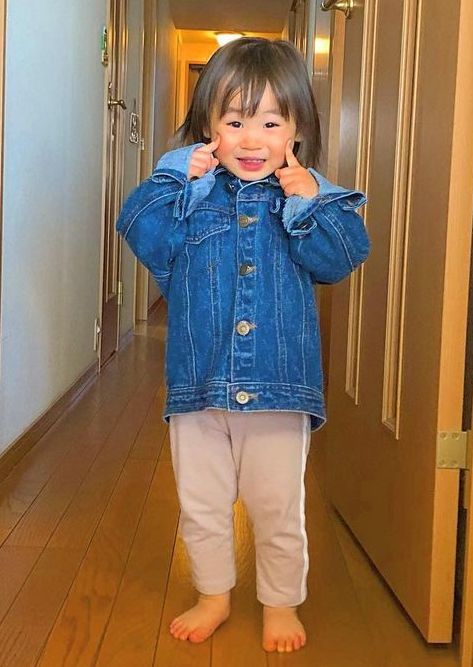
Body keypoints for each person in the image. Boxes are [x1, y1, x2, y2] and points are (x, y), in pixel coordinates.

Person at [116, 37, 371, 653]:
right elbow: (141, 231)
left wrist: (310, 201)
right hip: (199, 384)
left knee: (277, 507)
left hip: (280, 387)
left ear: (297, 130)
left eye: (271, 123)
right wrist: (175, 176)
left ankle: (281, 602)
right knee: (201, 505)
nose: (252, 139)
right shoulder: (190, 198)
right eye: (234, 122)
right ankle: (213, 596)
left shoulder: (309, 199)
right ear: (208, 128)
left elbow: (343, 257)